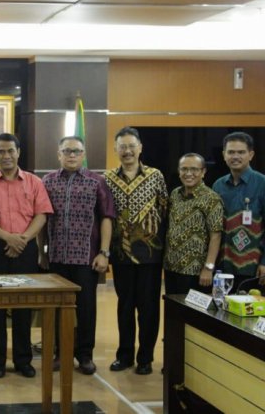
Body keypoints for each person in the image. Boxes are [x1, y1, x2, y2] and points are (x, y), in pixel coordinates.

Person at [0, 133, 52, 379]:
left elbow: (41, 215)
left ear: (18, 152)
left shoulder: (34, 182)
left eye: (10, 150)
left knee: (23, 306)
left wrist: (22, 239)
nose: (6, 155)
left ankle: (23, 360)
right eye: (1, 151)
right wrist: (9, 238)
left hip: (26, 248)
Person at [41, 136, 115, 375]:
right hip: (56, 258)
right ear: (58, 154)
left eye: (76, 151)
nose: (71, 155)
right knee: (56, 308)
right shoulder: (48, 181)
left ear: (83, 154)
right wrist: (42, 252)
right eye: (67, 151)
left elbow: (106, 218)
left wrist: (104, 252)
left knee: (86, 309)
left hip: (86, 258)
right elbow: (41, 218)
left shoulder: (97, 182)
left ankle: (85, 355)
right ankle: (59, 353)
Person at [105, 126, 167, 376]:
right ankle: (125, 355)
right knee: (125, 306)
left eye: (132, 146)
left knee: (148, 308)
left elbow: (164, 210)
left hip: (150, 255)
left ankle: (145, 358)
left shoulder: (155, 176)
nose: (127, 151)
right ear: (116, 149)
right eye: (123, 147)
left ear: (140, 148)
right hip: (120, 254)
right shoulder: (108, 178)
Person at [212, 132, 265, 294]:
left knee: (250, 309)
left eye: (241, 152)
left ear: (251, 155)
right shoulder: (218, 185)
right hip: (222, 266)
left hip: (252, 267)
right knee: (221, 308)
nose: (235, 156)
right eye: (231, 152)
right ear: (224, 155)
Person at [164, 153, 223, 295]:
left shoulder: (211, 198)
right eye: (184, 169)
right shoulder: (175, 194)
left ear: (203, 172)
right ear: (179, 171)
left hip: (196, 272)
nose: (188, 173)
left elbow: (216, 236)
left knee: (192, 310)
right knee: (172, 307)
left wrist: (208, 268)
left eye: (194, 169)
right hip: (171, 268)